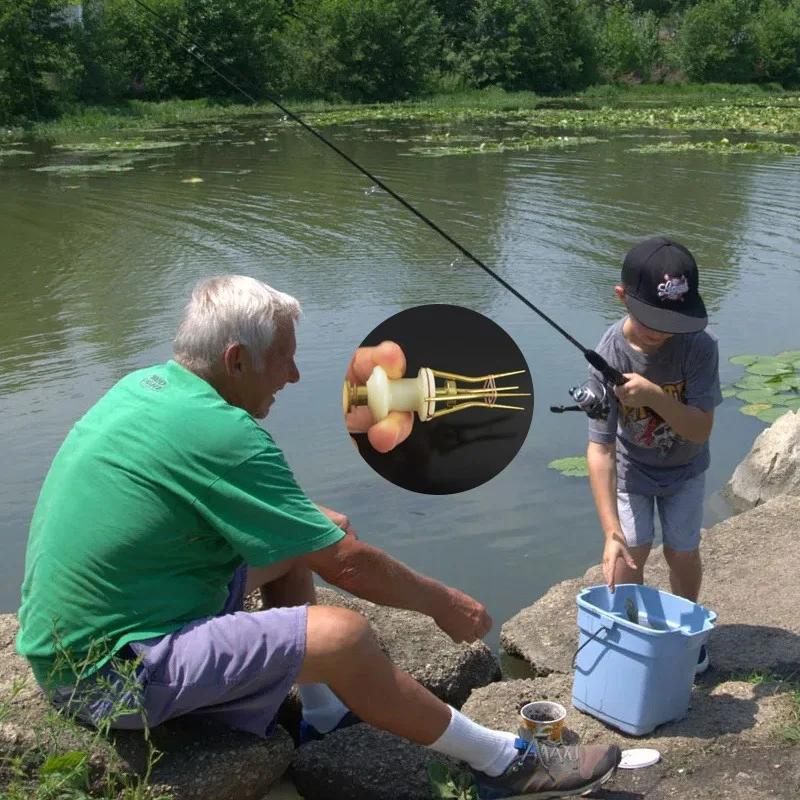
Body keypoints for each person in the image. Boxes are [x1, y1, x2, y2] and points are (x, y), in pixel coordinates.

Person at [16, 275, 621, 799]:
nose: (296, 374)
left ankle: (324, 717)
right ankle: (506, 764)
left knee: (311, 529)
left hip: (109, 623)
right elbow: (348, 568)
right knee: (345, 633)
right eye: (284, 359)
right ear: (235, 361)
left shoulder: (145, 388)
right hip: (105, 675)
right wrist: (444, 603)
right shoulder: (224, 433)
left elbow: (314, 540)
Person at [585, 237, 723, 674]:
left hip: (686, 468)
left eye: (671, 320)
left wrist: (654, 397)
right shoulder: (607, 352)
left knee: (682, 551)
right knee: (631, 550)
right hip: (632, 467)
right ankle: (632, 634)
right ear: (623, 296)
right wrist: (611, 532)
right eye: (651, 319)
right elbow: (600, 447)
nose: (661, 330)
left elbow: (700, 429)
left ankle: (686, 636)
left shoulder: (700, 346)